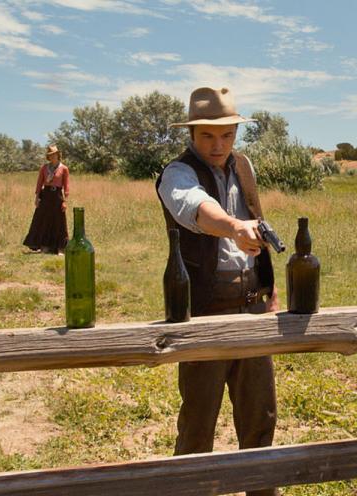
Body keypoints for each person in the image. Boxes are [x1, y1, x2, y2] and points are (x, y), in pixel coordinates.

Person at [155, 87, 280, 496]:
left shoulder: (244, 167)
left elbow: (255, 222)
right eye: (208, 135)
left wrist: (269, 292)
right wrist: (233, 226)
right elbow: (193, 206)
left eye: (226, 135)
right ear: (192, 133)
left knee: (260, 421)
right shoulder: (177, 172)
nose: (218, 144)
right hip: (206, 311)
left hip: (252, 309)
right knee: (197, 428)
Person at [23, 144, 71, 254]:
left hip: (57, 196)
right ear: (48, 157)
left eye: (54, 154)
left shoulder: (64, 169)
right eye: (50, 155)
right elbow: (39, 183)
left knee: (59, 222)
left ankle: (60, 248)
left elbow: (66, 186)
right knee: (43, 220)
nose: (53, 157)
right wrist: (37, 197)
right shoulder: (44, 168)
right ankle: (44, 245)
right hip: (46, 196)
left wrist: (65, 201)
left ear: (58, 155)